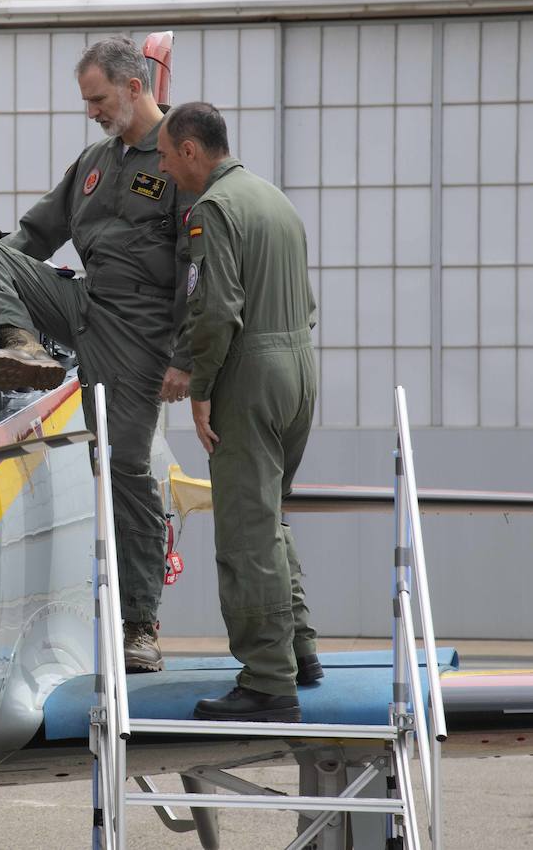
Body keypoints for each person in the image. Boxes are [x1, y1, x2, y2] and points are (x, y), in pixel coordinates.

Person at [0, 36, 193, 673]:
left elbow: (204, 265)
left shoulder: (180, 156)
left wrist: (187, 357)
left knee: (123, 470)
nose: (90, 110)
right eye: (86, 100)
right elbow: (33, 236)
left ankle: (139, 626)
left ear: (135, 86)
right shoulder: (94, 160)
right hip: (82, 306)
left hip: (138, 334)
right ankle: (21, 345)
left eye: (98, 99)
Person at [155, 101, 321, 723]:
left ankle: (267, 683)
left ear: (192, 150)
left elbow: (217, 308)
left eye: (168, 157)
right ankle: (300, 652)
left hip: (250, 375)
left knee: (246, 534)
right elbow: (305, 299)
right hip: (299, 367)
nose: (166, 170)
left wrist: (200, 387)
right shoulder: (275, 200)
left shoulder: (213, 211)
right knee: (270, 517)